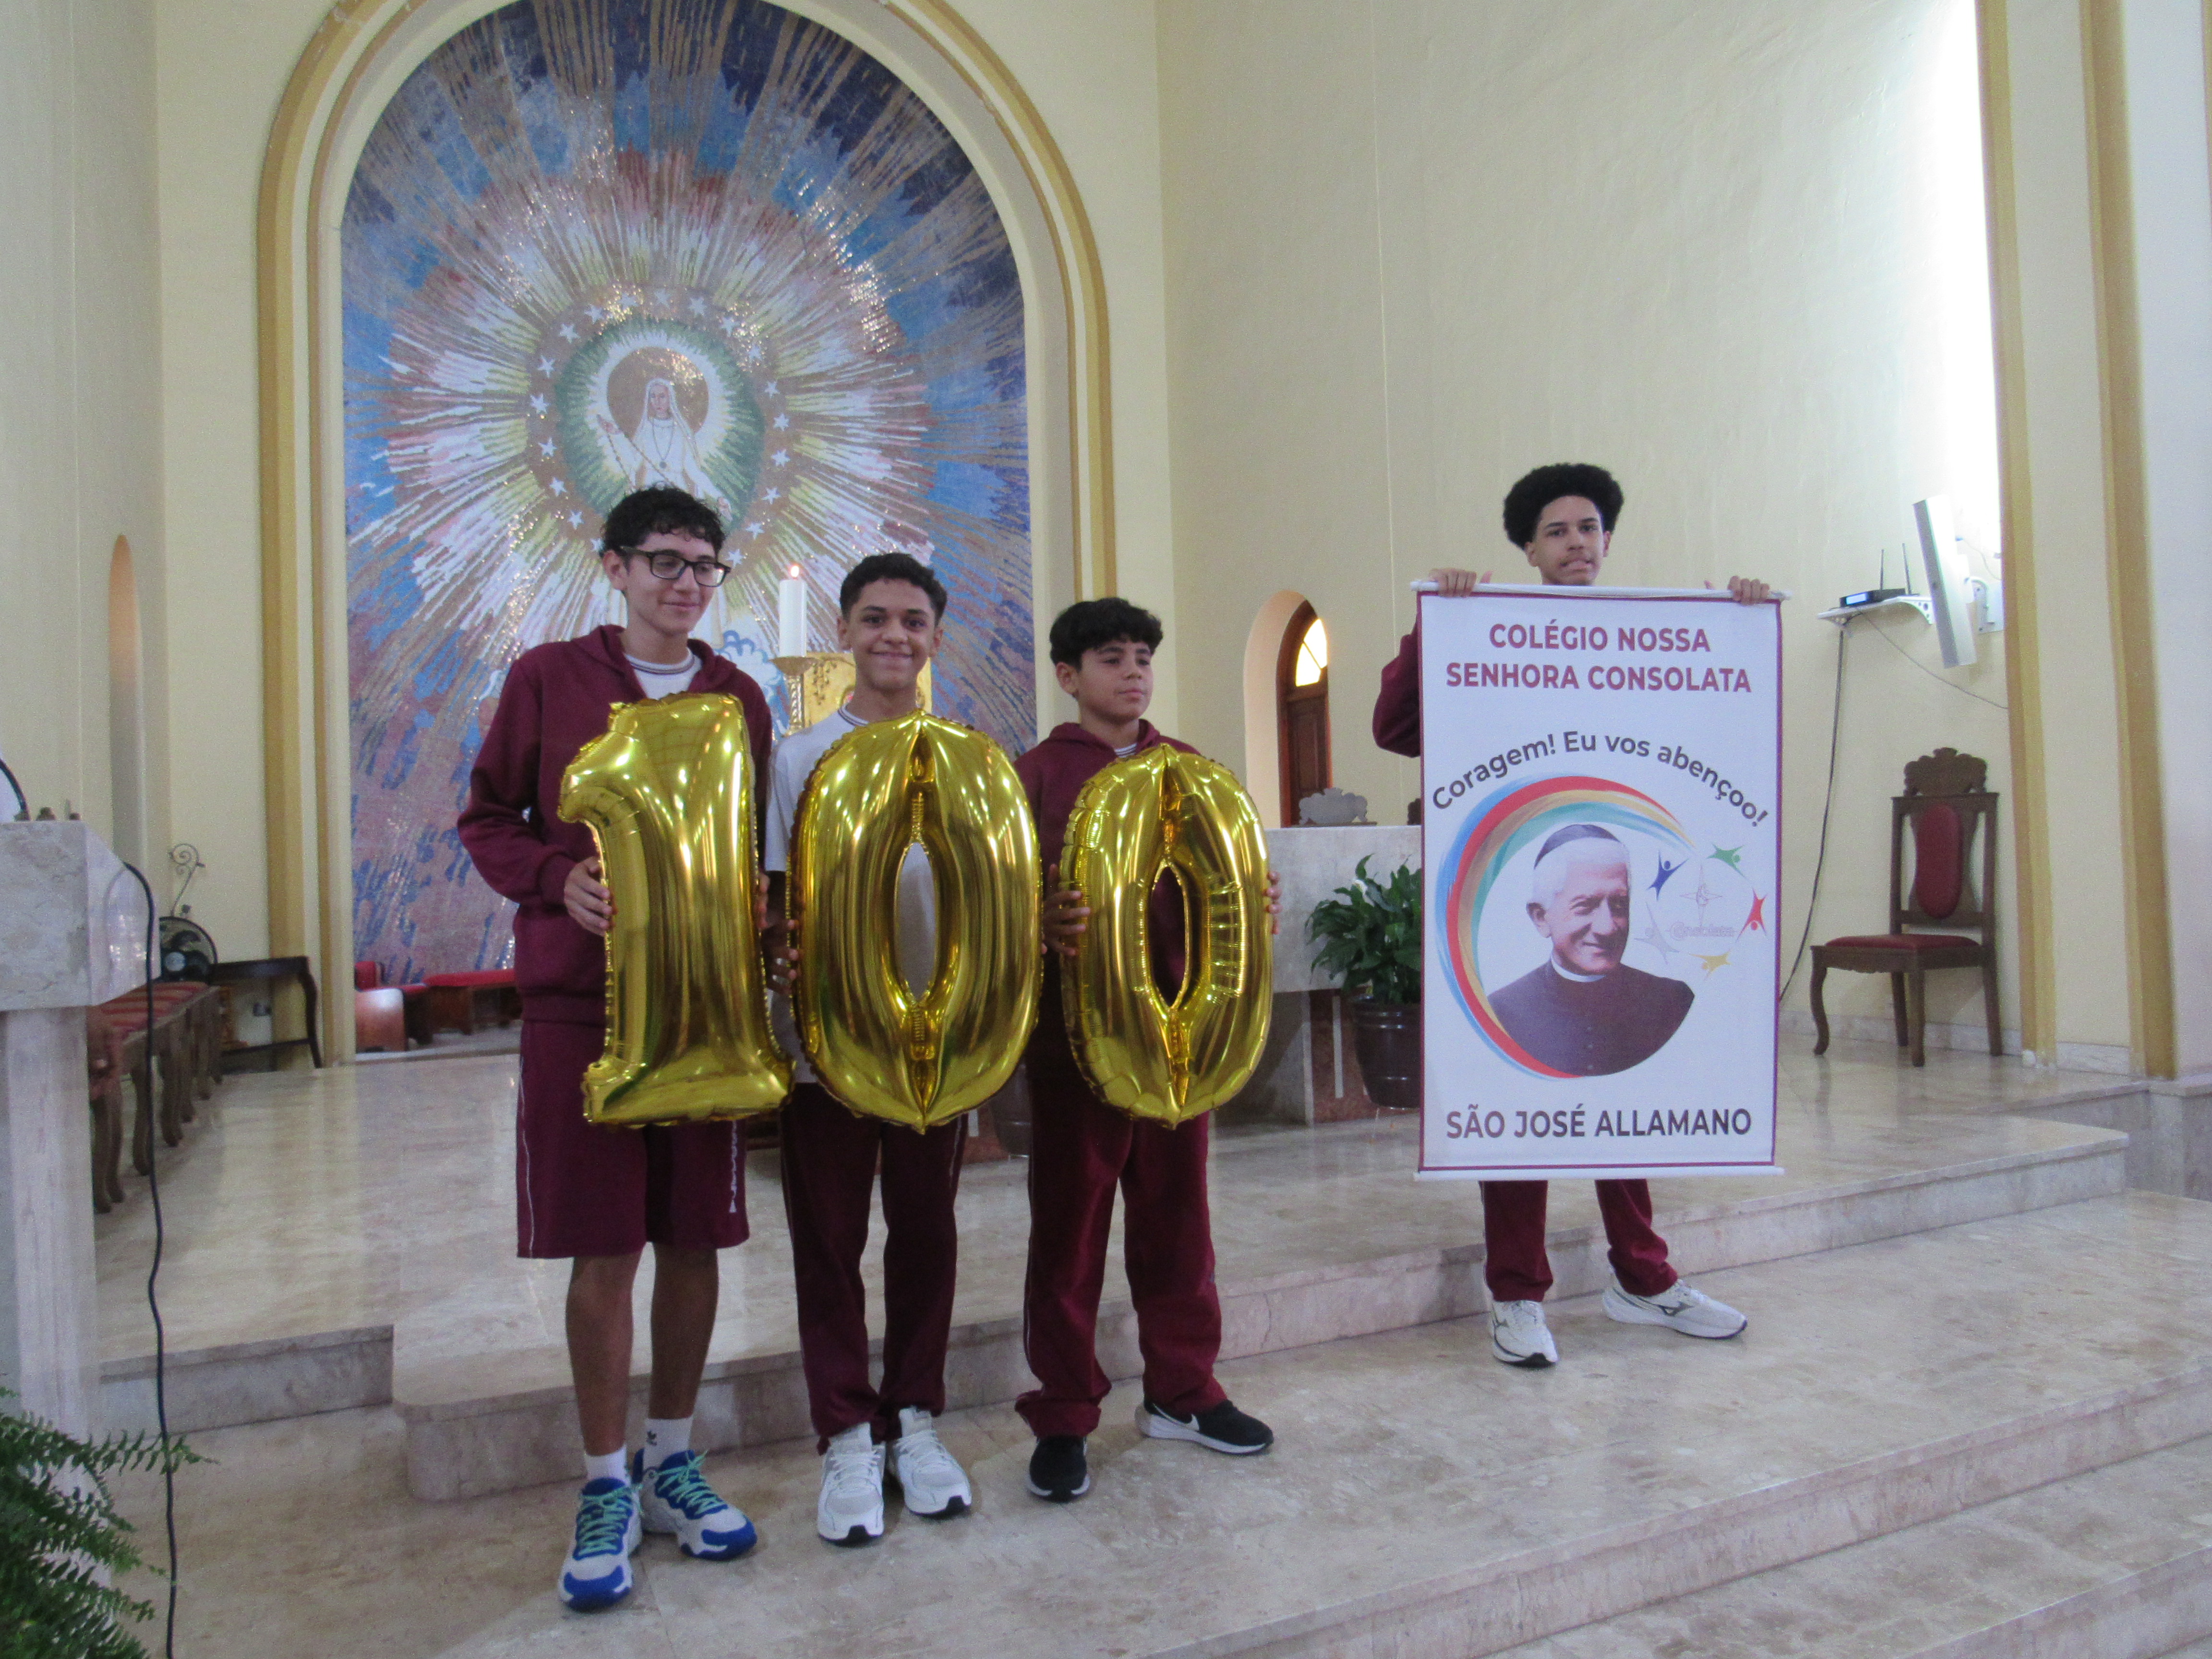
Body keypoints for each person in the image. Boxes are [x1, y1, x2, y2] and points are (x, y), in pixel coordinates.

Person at [1371, 461, 1764, 1369]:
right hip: (1521, 870)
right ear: (1527, 550)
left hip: (1617, 885)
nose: (1576, 543)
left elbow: (1715, 720)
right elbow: (1395, 730)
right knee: (1518, 1111)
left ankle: (1645, 1279)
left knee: (1629, 1103)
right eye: (1556, 532)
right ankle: (1516, 1295)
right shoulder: (1487, 634)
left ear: (1607, 540)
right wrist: (1438, 626)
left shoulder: (1650, 640)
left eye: (1589, 528)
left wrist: (1741, 619)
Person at [458, 486, 772, 1611]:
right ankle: (603, 1482)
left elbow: (750, 843)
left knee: (695, 1239)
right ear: (616, 568)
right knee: (604, 1247)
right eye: (664, 561)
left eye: (704, 565)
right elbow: (488, 817)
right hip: (583, 1006)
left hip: (703, 1008)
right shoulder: (551, 678)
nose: (686, 582)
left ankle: (671, 1458)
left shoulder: (737, 697)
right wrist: (558, 877)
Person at [1014, 598, 1280, 1503]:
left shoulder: (1189, 770)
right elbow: (1002, 900)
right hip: (1076, 1049)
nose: (1132, 673)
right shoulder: (1035, 777)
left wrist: (1253, 899)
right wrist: (1036, 921)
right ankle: (1063, 1413)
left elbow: (1224, 885)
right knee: (1069, 1231)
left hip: (1181, 1039)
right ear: (1067, 676)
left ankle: (1182, 1389)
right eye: (1110, 659)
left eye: (1141, 658)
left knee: (1179, 1224)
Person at [762, 550, 974, 1548]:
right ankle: (847, 1431)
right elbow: (775, 901)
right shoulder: (799, 758)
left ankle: (915, 1418)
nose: (895, 635)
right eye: (876, 618)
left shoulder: (965, 759)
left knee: (926, 1230)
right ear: (843, 633)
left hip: (937, 1037)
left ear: (935, 639)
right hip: (829, 1042)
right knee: (830, 1239)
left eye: (913, 621)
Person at [1492, 823, 1693, 1075]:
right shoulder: (1502, 1012)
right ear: (1541, 918)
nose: (1607, 928)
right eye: (1585, 906)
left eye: (1619, 905)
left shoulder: (1674, 1002)